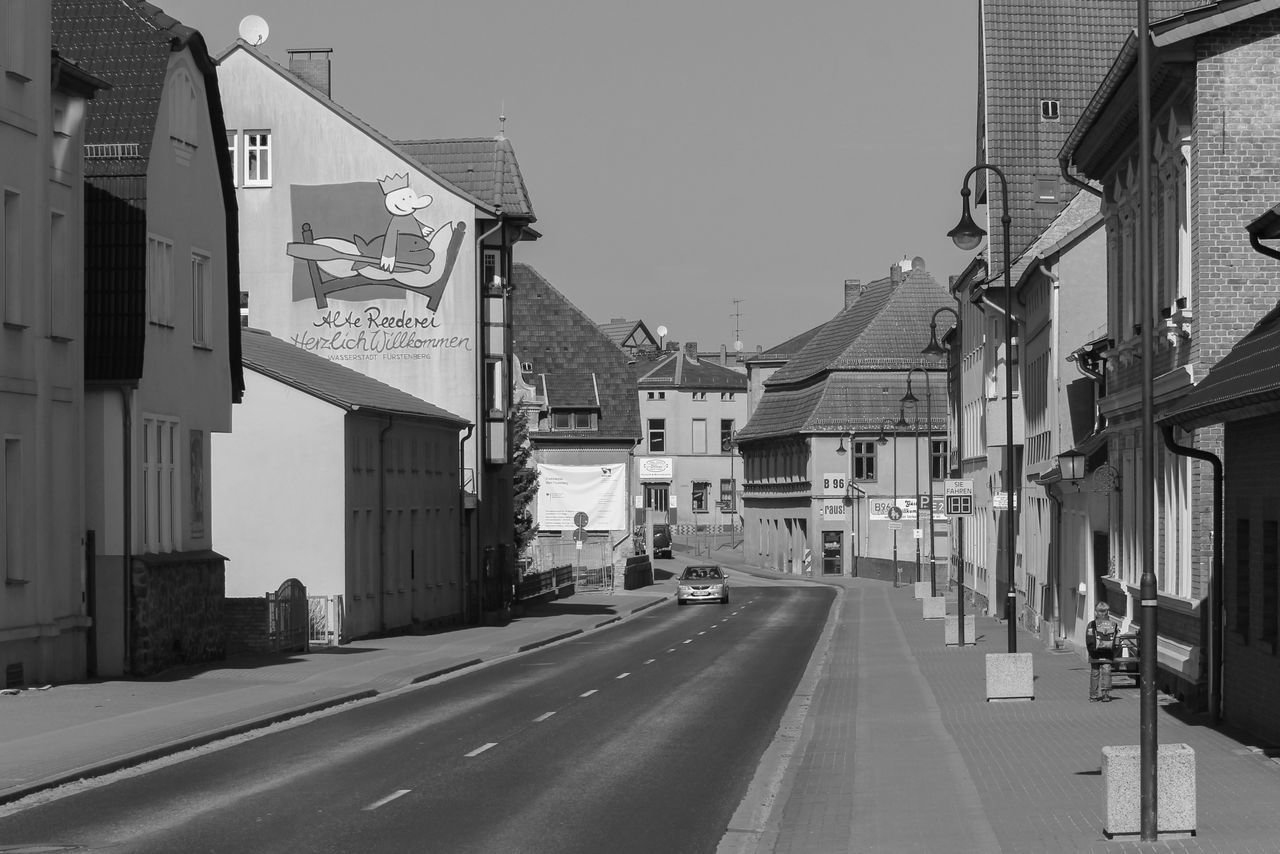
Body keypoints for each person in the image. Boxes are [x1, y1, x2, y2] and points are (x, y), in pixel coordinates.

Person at [1086, 601, 1119, 702]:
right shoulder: (1113, 624)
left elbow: (1088, 639)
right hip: (1108, 653)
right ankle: (1105, 694)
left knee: (1095, 673)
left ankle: (1093, 696)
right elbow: (1117, 640)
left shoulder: (1091, 624)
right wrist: (1114, 651)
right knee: (1106, 671)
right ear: (1107, 612)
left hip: (1095, 653)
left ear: (1096, 612)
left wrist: (1091, 651)